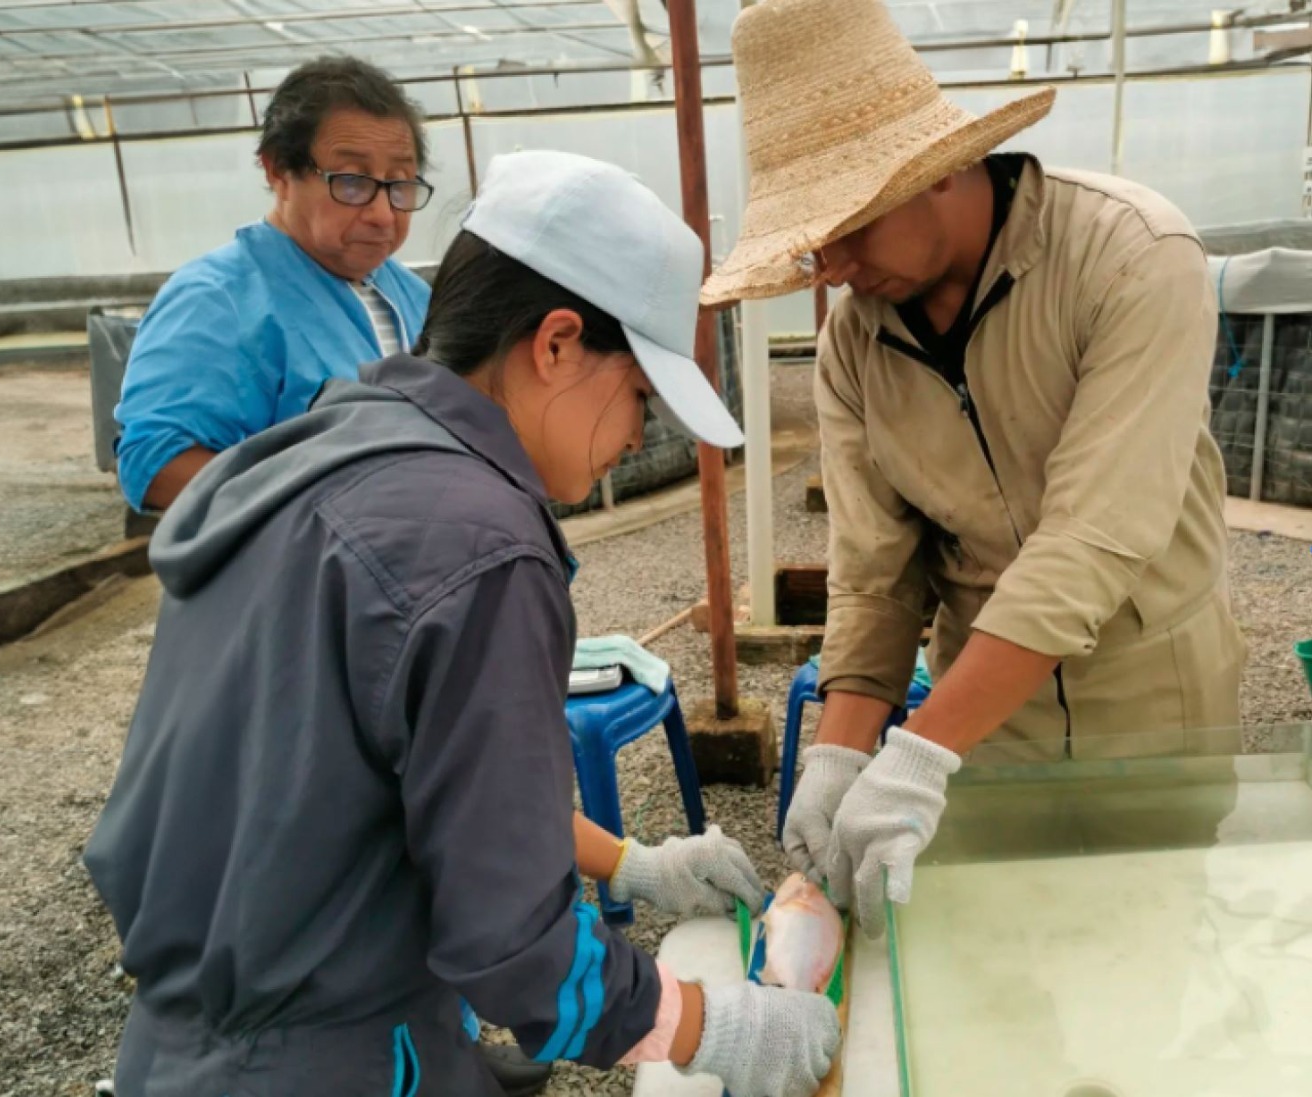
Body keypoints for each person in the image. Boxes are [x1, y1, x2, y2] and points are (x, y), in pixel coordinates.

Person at [84, 149, 840, 1097]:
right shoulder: (482, 547)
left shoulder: (326, 449)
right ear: (557, 343)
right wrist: (713, 1023)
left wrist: (631, 863)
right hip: (338, 1057)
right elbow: (515, 949)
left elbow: (393, 772)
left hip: (188, 1043)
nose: (639, 436)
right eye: (642, 395)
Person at [702, 0, 1244, 937]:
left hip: (1154, 695)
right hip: (987, 721)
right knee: (1005, 960)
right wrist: (839, 752)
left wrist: (916, 754)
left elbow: (1093, 538)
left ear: (937, 171)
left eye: (846, 227)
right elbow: (876, 574)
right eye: (811, 241)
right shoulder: (854, 348)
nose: (829, 267)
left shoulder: (1131, 258)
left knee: (1155, 947)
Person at [113, 56, 433, 513]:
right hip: (307, 575)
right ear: (279, 172)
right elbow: (156, 465)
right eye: (352, 181)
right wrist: (322, 506)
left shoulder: (410, 295)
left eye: (399, 183)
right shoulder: (218, 299)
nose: (383, 213)